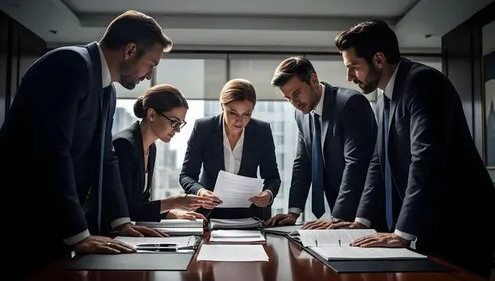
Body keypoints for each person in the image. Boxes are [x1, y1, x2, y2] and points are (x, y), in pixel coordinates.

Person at [0, 10, 173, 276]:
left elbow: (105, 156)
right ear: (130, 50)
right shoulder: (70, 64)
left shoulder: (107, 91)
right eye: (151, 64)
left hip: (50, 224)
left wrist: (123, 222)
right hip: (17, 217)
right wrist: (78, 234)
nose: (149, 76)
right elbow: (53, 153)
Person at [330, 19, 495, 279]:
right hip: (431, 224)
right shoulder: (384, 97)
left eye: (353, 67)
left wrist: (401, 233)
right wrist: (362, 220)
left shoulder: (424, 83)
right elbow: (377, 162)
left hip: (462, 222)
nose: (349, 77)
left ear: (379, 59)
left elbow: (425, 159)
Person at [265, 57, 377, 229]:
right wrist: (293, 212)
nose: (294, 103)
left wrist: (338, 216)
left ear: (313, 80)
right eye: (288, 98)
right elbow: (302, 162)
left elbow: (356, 164)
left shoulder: (350, 104)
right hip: (338, 214)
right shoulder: (301, 114)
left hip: (367, 211)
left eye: (297, 93)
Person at [179, 78, 281, 220]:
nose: (240, 121)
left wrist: (268, 194)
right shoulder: (203, 128)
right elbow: (186, 176)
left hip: (250, 216)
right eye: (233, 113)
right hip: (209, 214)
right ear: (222, 106)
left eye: (247, 114)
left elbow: (273, 177)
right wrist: (201, 192)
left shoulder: (262, 131)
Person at [113, 84, 214, 222]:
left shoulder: (151, 148)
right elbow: (125, 209)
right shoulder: (124, 145)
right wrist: (173, 202)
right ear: (151, 114)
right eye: (174, 122)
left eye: (180, 124)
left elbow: (141, 203)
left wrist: (171, 214)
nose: (177, 130)